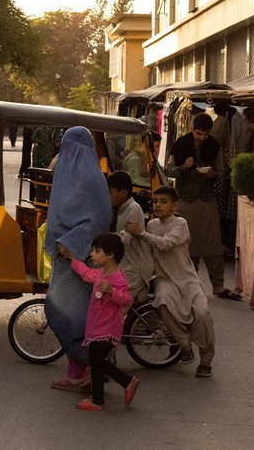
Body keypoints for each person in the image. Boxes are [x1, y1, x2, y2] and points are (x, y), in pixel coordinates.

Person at [44, 126, 112, 392]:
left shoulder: (90, 179)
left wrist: (71, 244)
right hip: (68, 261)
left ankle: (97, 367)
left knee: (64, 316)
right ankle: (78, 374)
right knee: (75, 318)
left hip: (80, 261)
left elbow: (98, 218)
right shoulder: (70, 173)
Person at [125, 185, 216, 378]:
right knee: (162, 302)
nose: (157, 205)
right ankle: (184, 344)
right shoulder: (151, 225)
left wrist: (141, 233)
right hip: (164, 278)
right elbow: (149, 251)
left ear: (175, 206)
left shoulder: (180, 223)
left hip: (187, 278)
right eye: (155, 201)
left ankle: (206, 359)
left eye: (163, 202)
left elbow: (166, 243)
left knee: (201, 313)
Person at [58, 233, 139, 410]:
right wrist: (72, 258)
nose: (92, 254)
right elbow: (86, 273)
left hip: (108, 329)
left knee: (96, 362)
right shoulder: (101, 273)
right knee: (97, 362)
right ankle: (120, 385)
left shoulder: (117, 278)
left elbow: (127, 300)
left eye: (97, 251)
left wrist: (112, 291)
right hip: (97, 328)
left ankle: (100, 398)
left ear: (110, 255)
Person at [166, 113, 240, 300]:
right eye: (199, 134)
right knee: (188, 248)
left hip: (207, 202)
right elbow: (168, 170)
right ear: (192, 129)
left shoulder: (214, 147)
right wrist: (184, 167)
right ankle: (192, 285)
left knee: (213, 246)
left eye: (205, 134)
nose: (202, 138)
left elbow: (222, 172)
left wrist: (212, 174)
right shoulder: (180, 145)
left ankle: (218, 286)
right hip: (185, 203)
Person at [107, 171, 154, 302]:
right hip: (128, 265)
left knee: (116, 303)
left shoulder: (133, 208)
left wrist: (104, 241)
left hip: (136, 267)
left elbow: (124, 239)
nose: (108, 196)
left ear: (123, 192)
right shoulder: (121, 209)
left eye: (110, 192)